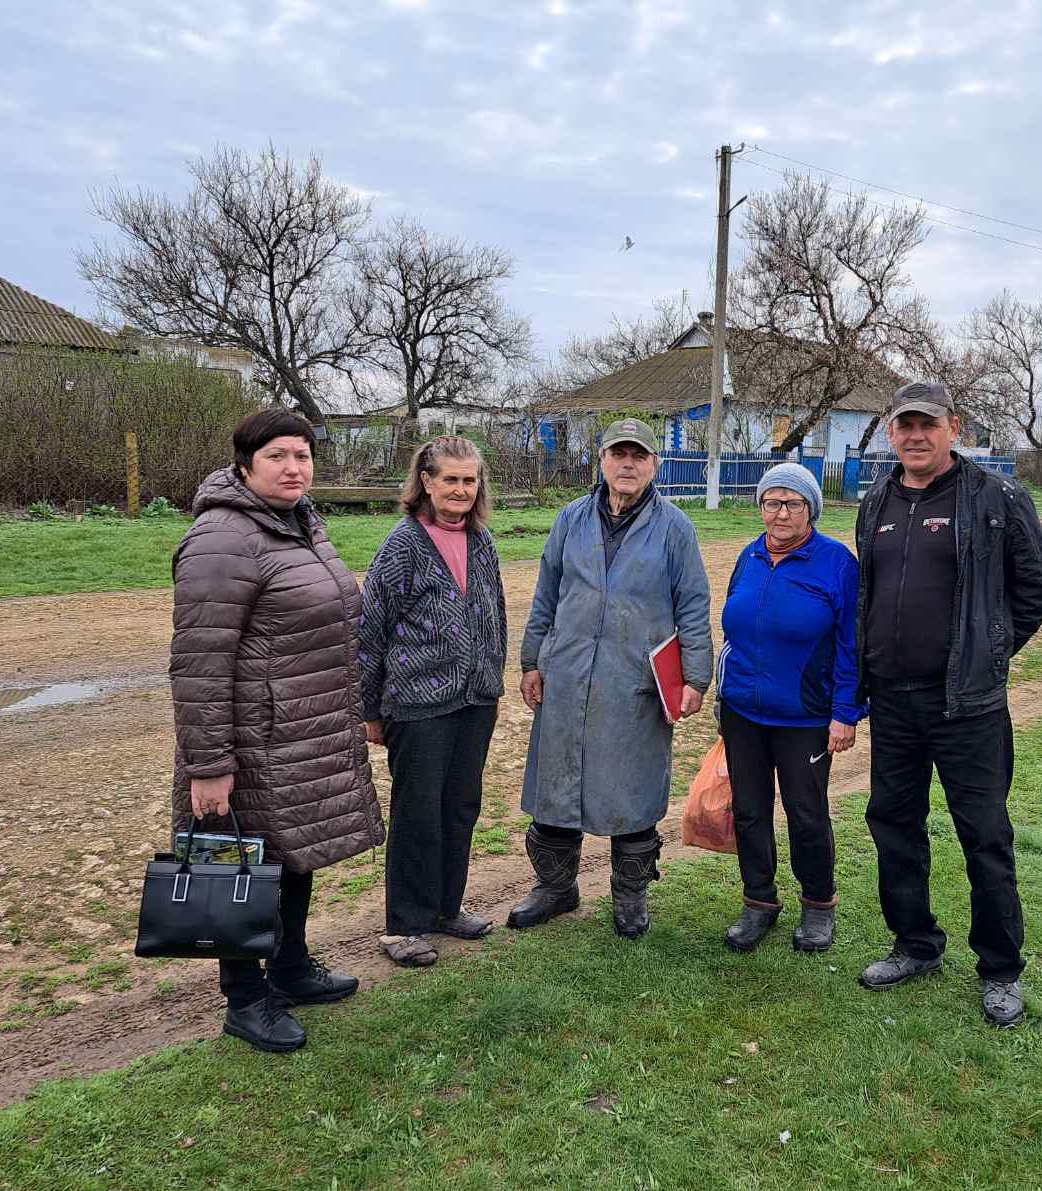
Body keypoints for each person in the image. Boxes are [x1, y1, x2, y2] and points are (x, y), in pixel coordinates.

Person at [170, 408, 385, 1054]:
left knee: (295, 852)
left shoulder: (299, 523)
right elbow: (200, 662)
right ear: (244, 465)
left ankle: (289, 965)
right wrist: (210, 764)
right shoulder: (222, 538)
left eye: (302, 455)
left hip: (300, 732)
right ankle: (243, 997)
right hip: (250, 741)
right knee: (236, 860)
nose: (294, 468)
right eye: (277, 457)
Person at [855, 382, 1042, 1028]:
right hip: (893, 702)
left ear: (954, 427)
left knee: (984, 834)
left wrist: (988, 651)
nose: (915, 435)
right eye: (904, 425)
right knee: (894, 825)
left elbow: (1040, 585)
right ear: (891, 432)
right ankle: (915, 944)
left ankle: (1001, 968)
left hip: (967, 706)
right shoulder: (878, 500)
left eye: (928, 424)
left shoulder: (996, 498)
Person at [511, 417, 713, 938]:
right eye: (618, 454)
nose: (628, 464)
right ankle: (556, 888)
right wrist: (532, 660)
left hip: (635, 682)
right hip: (567, 672)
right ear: (601, 461)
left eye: (638, 456)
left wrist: (695, 677)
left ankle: (629, 897)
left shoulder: (675, 528)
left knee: (633, 791)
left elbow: (693, 604)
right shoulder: (571, 519)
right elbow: (546, 594)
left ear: (654, 465)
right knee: (556, 786)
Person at [359, 435, 508, 968]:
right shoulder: (403, 546)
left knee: (460, 807)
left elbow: (496, 616)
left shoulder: (482, 542)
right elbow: (370, 631)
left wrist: (492, 677)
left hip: (475, 701)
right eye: (451, 480)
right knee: (418, 813)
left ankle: (447, 907)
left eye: (470, 480)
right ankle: (404, 925)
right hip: (417, 703)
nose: (461, 490)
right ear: (426, 482)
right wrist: (369, 709)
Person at [716, 462, 861, 953]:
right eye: (771, 502)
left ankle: (819, 904)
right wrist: (724, 694)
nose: (780, 513)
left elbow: (852, 646)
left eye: (792, 503)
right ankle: (759, 901)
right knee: (749, 811)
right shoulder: (750, 556)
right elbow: (733, 632)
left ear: (810, 509)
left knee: (807, 813)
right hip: (743, 712)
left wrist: (845, 712)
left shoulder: (836, 562)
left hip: (805, 716)